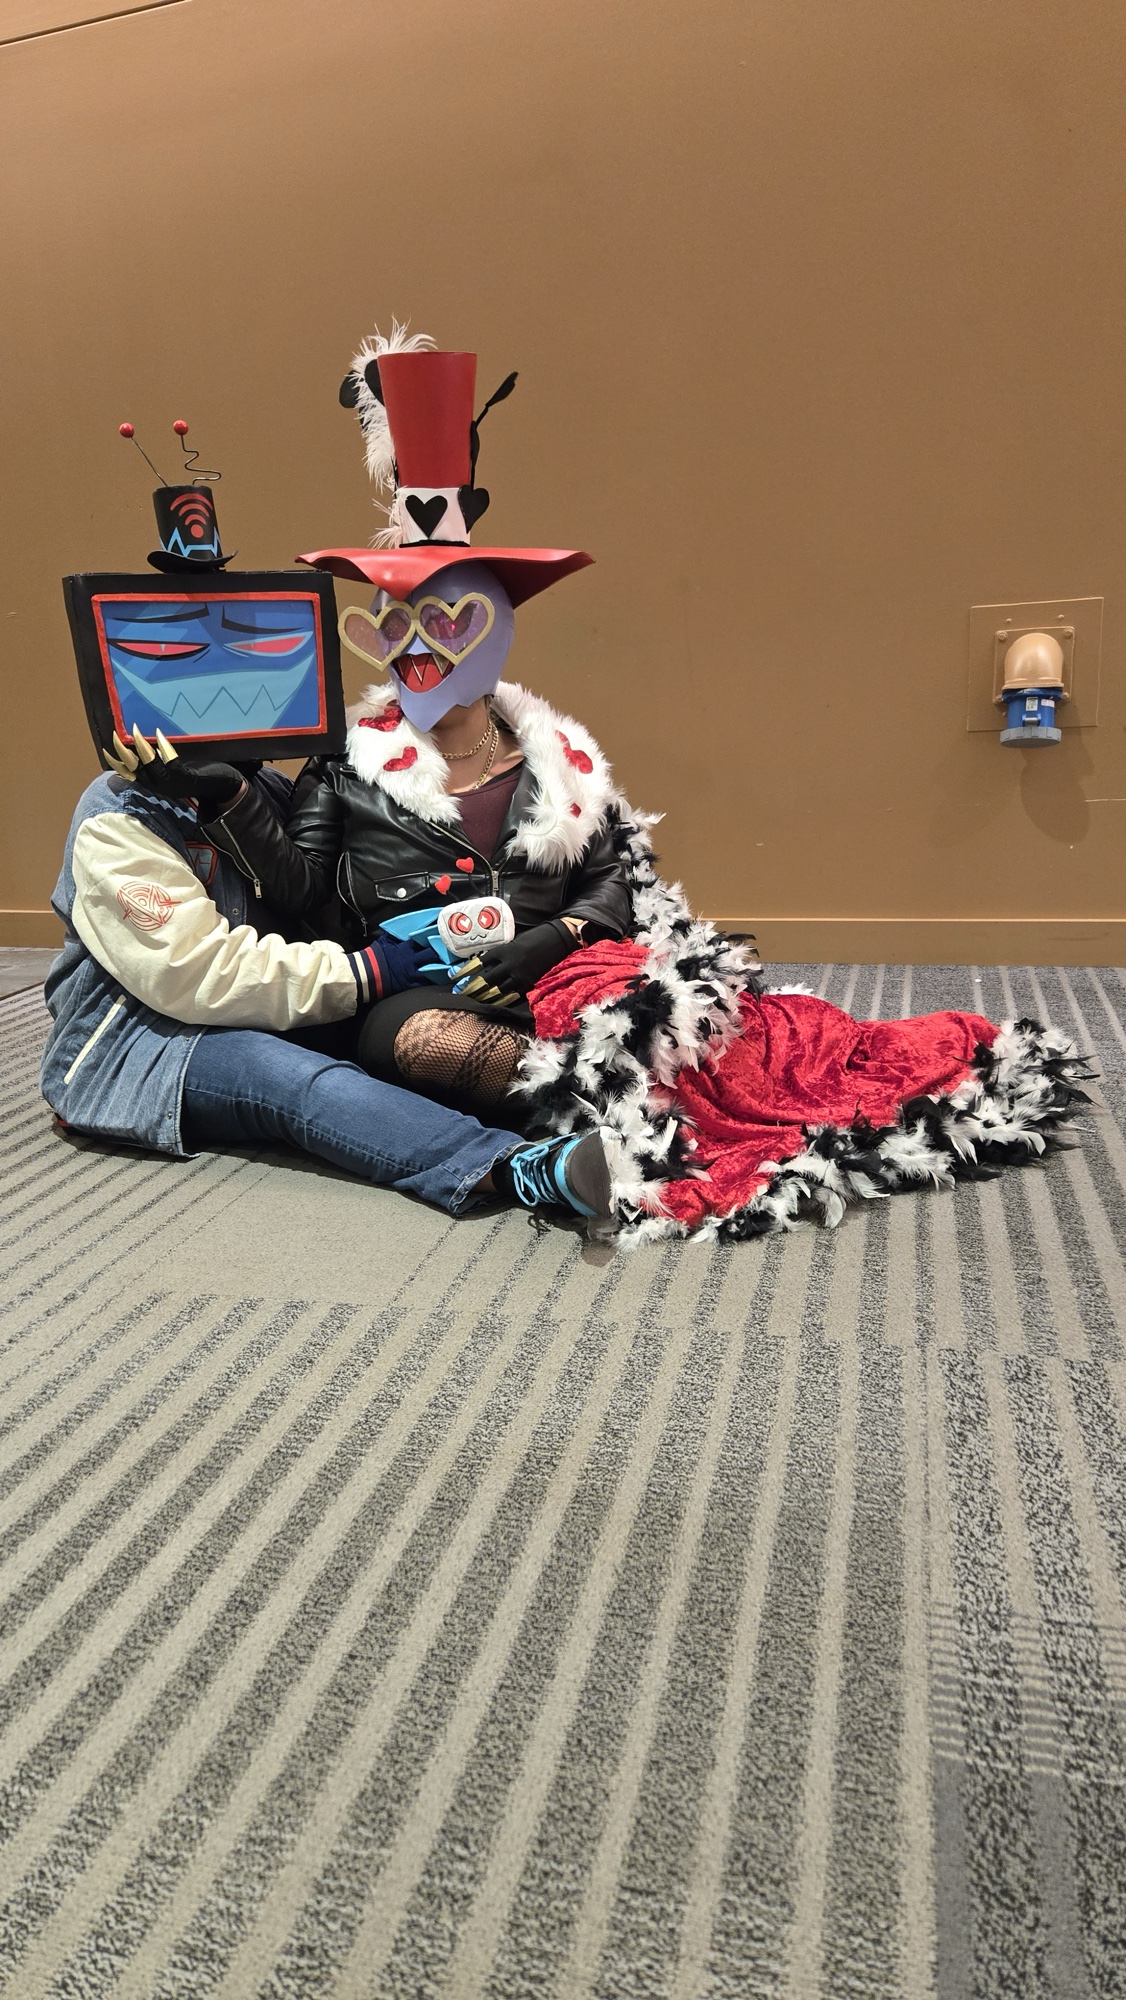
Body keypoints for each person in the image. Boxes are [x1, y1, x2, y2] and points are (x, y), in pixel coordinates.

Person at [110, 330, 632, 1117]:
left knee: (674, 1019)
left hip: (564, 977)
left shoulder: (561, 759)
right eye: (395, 626)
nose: (418, 647)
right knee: (422, 1045)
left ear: (493, 629)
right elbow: (306, 893)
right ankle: (595, 1109)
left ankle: (602, 1090)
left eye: (445, 623)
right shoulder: (347, 762)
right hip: (423, 993)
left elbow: (616, 877)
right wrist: (226, 796)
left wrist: (552, 941)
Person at [39, 762, 616, 1227]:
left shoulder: (266, 788)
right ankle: (516, 1168)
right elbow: (194, 975)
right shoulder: (118, 809)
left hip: (272, 1006)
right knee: (288, 1078)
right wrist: (369, 970)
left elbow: (308, 904)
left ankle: (616, 1114)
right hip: (141, 1041)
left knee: (408, 1042)